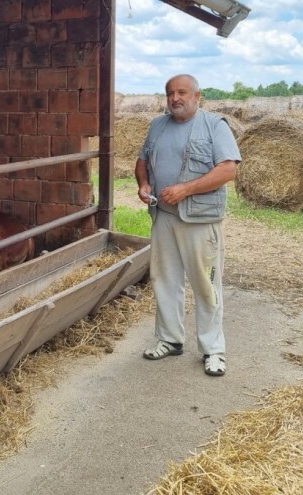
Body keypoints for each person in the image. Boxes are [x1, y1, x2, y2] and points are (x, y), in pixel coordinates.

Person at [134, 74, 240, 377]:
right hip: (164, 216)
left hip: (200, 219)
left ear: (197, 96)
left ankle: (213, 350)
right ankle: (169, 339)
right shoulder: (158, 125)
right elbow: (142, 160)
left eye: (181, 92)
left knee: (205, 285)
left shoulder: (214, 125)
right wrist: (143, 185)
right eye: (170, 93)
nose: (175, 98)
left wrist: (186, 189)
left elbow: (228, 170)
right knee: (164, 279)